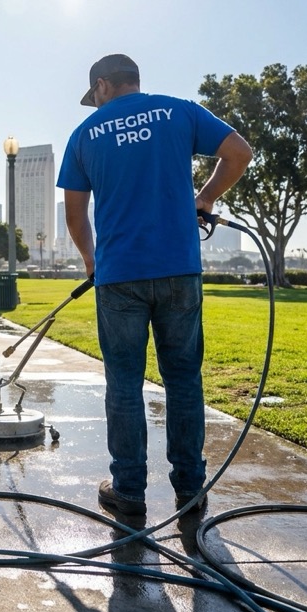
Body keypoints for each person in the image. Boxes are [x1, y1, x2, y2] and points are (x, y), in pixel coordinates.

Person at [57, 54, 252, 517]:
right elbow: (239, 153)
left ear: (102, 85)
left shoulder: (85, 134)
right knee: (183, 379)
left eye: (94, 95)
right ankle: (190, 489)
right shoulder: (178, 110)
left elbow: (74, 213)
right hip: (179, 269)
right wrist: (204, 197)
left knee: (123, 383)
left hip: (119, 274)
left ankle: (128, 491)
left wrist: (90, 260)